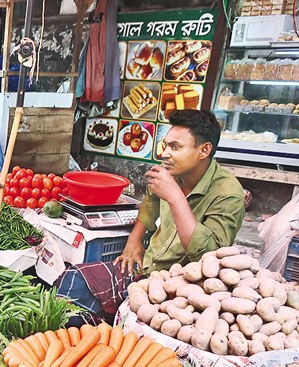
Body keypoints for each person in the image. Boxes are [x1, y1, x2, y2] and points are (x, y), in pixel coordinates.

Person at [57, 110, 246, 319]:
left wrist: (176, 198)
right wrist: (134, 240)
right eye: (166, 145)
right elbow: (151, 200)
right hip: (146, 268)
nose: (165, 153)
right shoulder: (171, 173)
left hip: (182, 290)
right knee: (75, 280)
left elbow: (209, 258)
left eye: (175, 147)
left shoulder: (228, 194)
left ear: (204, 150)